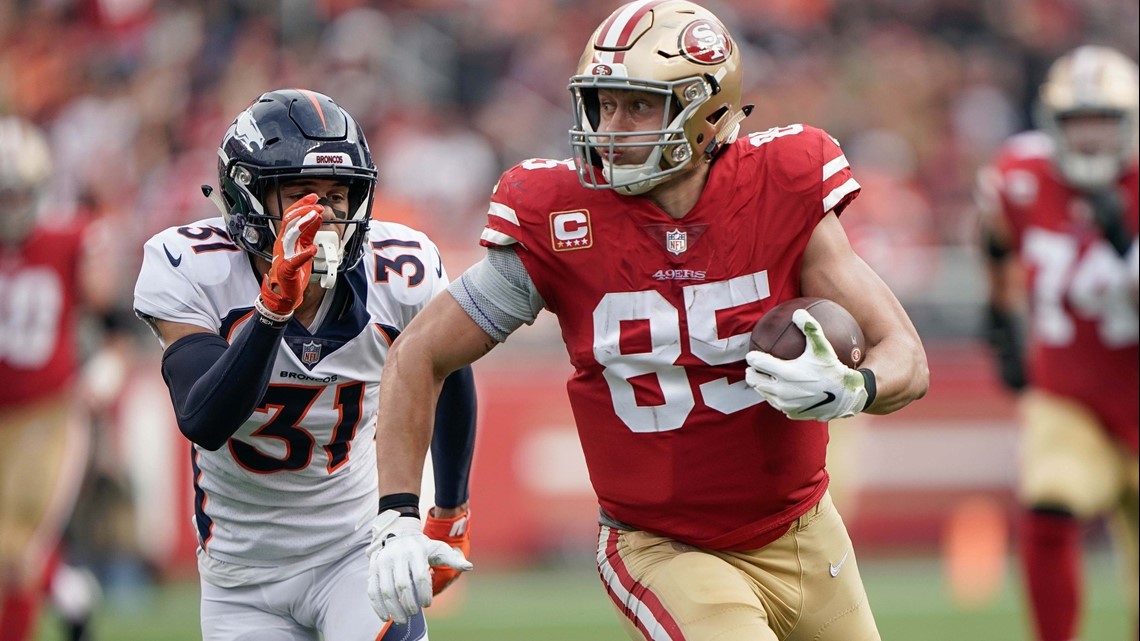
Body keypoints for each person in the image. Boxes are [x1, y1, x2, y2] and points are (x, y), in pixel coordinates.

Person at [363, 2, 929, 640]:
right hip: (661, 547)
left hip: (803, 528)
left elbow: (904, 355)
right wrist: (398, 518)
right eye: (602, 104)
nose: (611, 126)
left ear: (709, 111)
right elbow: (419, 353)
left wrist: (854, 388)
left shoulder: (781, 186)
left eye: (637, 106)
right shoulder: (560, 218)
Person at [132, 89, 477, 641]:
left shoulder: (401, 271)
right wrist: (272, 310)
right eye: (299, 194)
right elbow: (204, 420)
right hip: (242, 576)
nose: (323, 216)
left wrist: (450, 511)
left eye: (338, 197)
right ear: (246, 198)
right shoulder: (192, 266)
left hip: (355, 551)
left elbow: (451, 367)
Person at [977, 45, 1138, 641]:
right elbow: (995, 234)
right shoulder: (1020, 173)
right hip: (1070, 393)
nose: (1090, 138)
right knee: (1049, 497)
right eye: (1077, 122)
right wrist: (999, 315)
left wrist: (1126, 245)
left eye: (1104, 122)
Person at [0, 116, 108, 641]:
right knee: (11, 546)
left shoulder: (68, 238)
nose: (10, 207)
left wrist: (102, 366)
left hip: (46, 415)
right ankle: (67, 588)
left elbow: (109, 313)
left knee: (16, 550)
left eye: (17, 193)